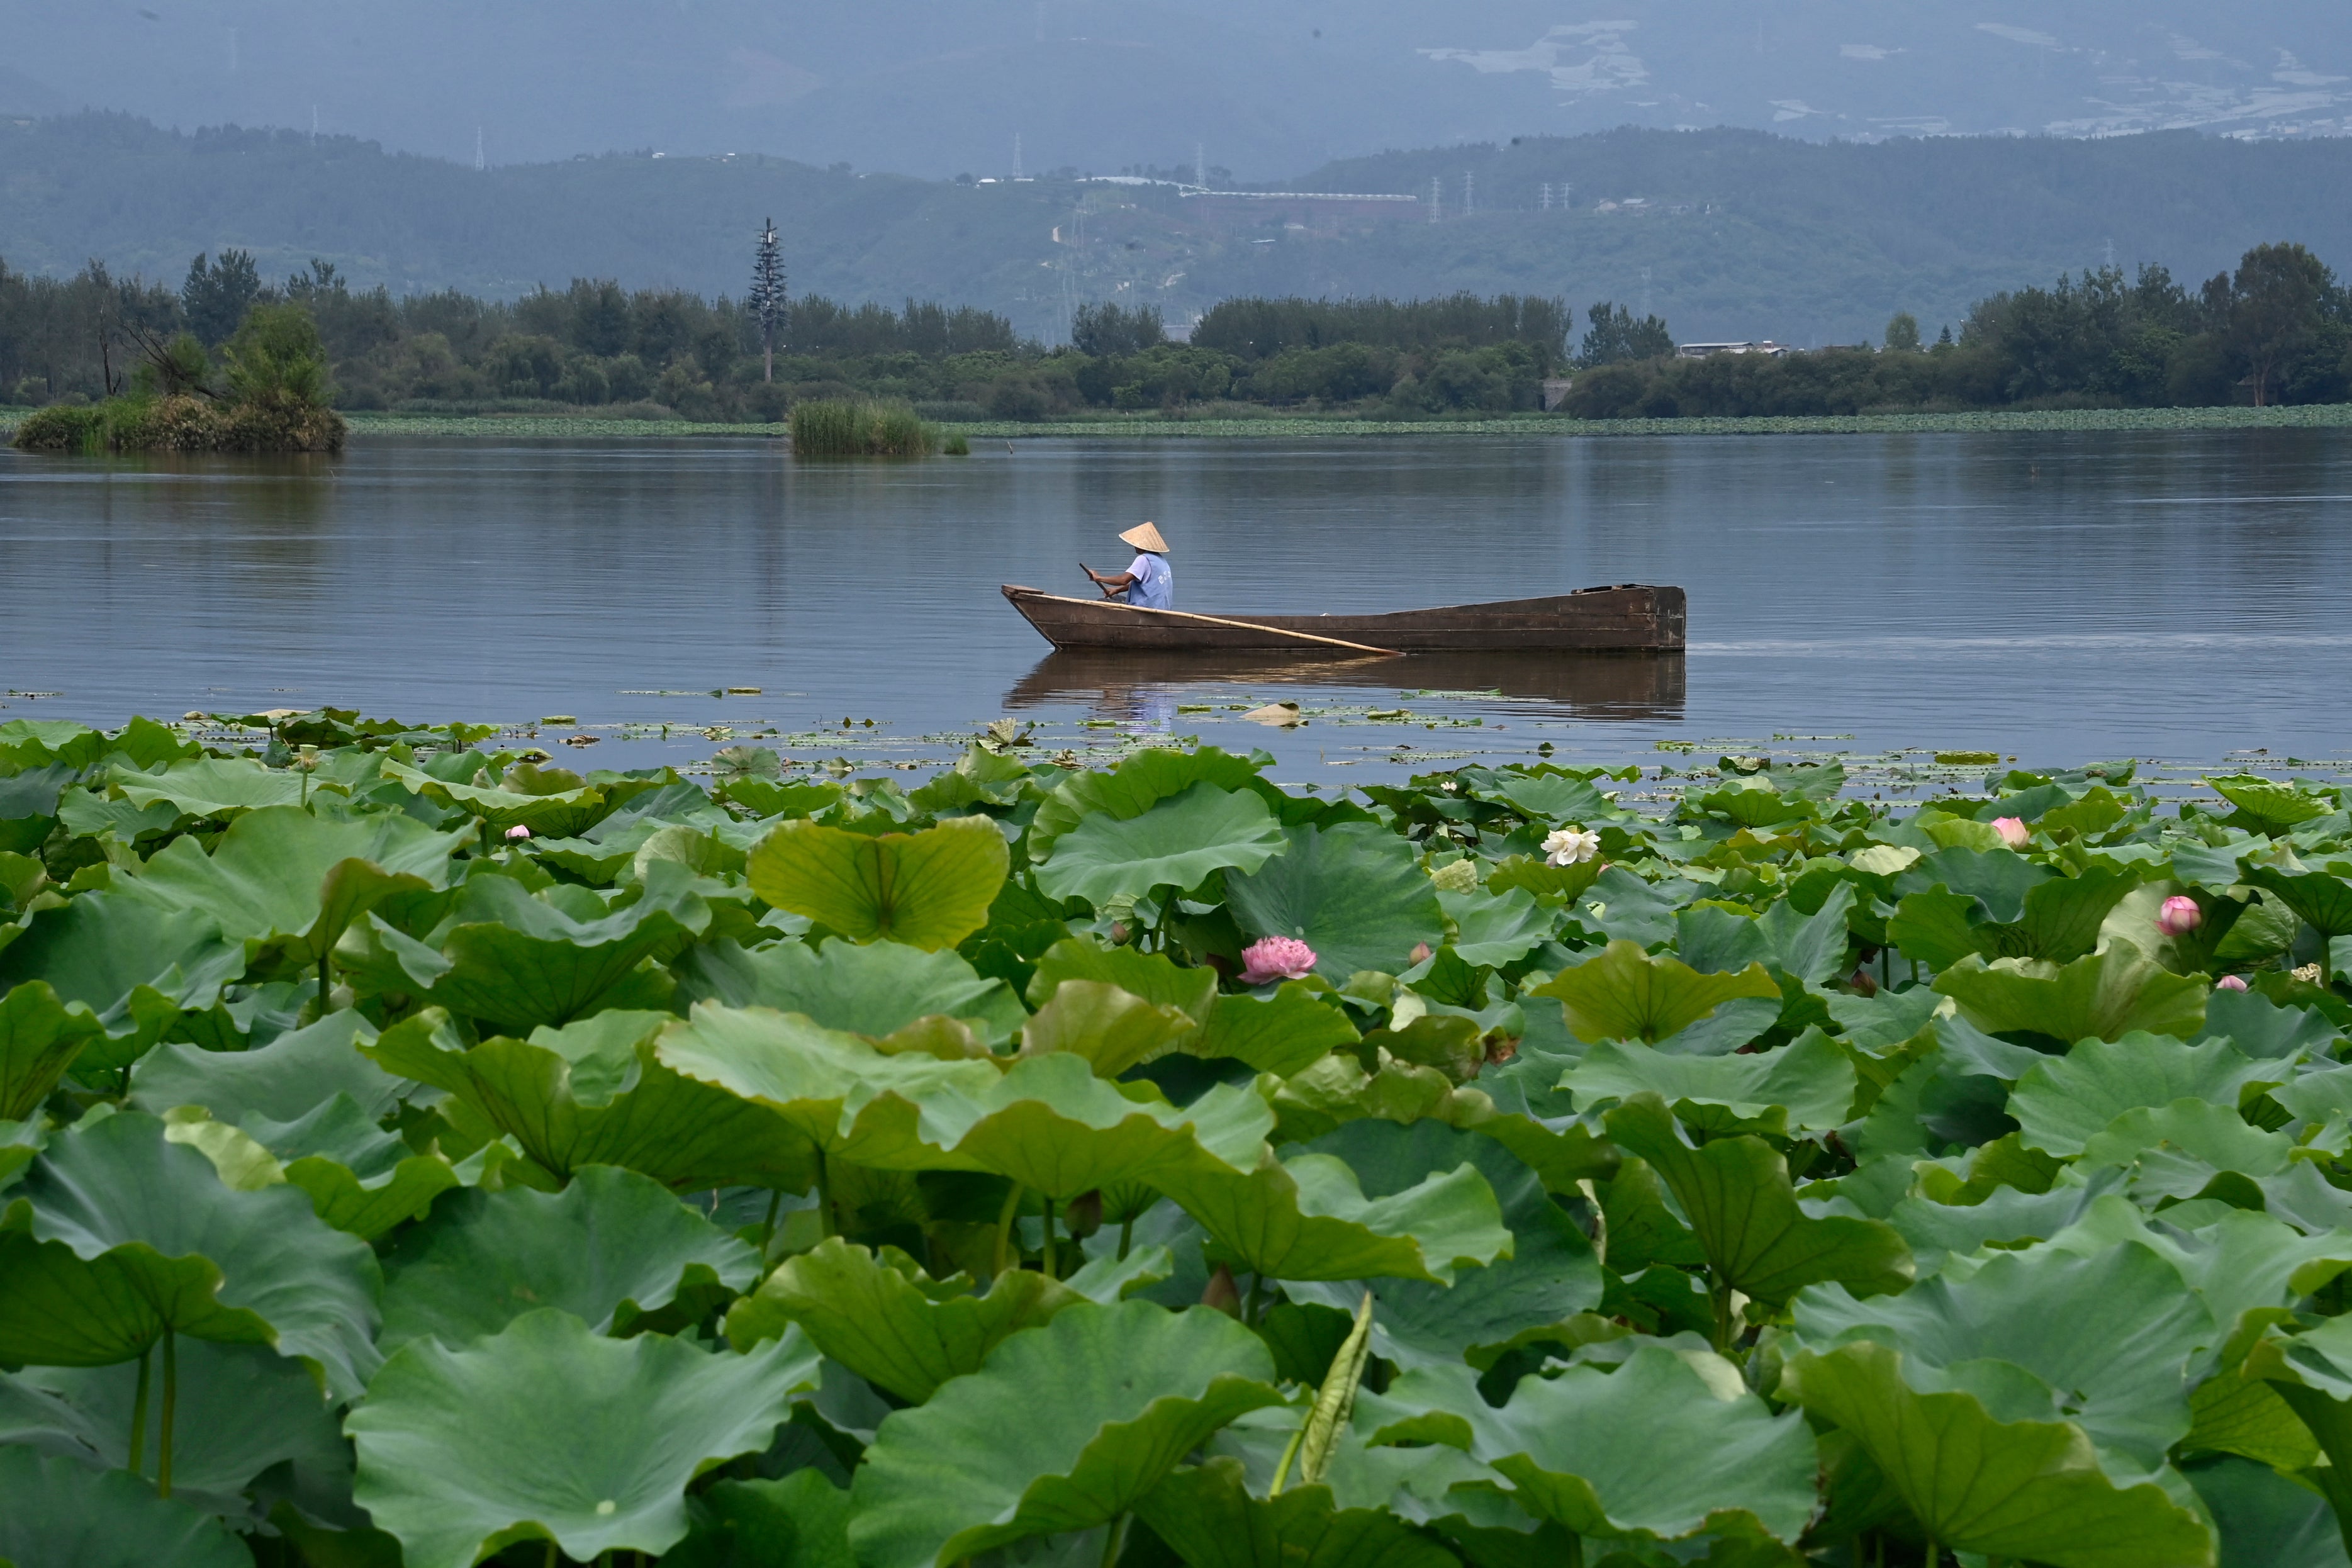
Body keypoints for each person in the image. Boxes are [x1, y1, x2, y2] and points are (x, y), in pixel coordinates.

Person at [1087, 522, 1174, 610]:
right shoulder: (1161, 561)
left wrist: (1098, 578)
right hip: (1162, 608)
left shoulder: (1144, 559)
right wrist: (1117, 590)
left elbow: (1123, 580)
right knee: (1117, 598)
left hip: (1147, 609)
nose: (1134, 546)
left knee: (1101, 603)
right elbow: (1145, 584)